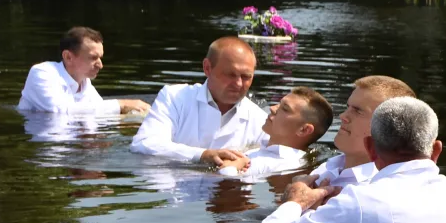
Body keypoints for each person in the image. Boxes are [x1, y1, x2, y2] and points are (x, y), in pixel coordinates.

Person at [250, 97, 446, 223]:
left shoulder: (356, 204)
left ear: (370, 148)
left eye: (357, 110)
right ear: (436, 150)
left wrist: (295, 203)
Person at [131, 37, 268, 166]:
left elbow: (274, 158)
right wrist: (201, 155)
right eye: (230, 74)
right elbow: (144, 143)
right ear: (207, 68)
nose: (238, 84)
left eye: (246, 77)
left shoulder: (260, 119)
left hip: (230, 189)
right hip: (175, 188)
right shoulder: (175, 97)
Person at [18, 27, 149, 116]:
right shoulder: (42, 73)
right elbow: (59, 111)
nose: (100, 65)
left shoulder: (84, 83)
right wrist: (122, 105)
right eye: (93, 58)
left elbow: (98, 111)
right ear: (68, 57)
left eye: (100, 58)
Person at [217, 87, 333, 180]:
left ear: (303, 130)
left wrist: (231, 168)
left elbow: (226, 183)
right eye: (279, 103)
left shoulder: (283, 165)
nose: (272, 108)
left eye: (285, 108)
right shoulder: (265, 151)